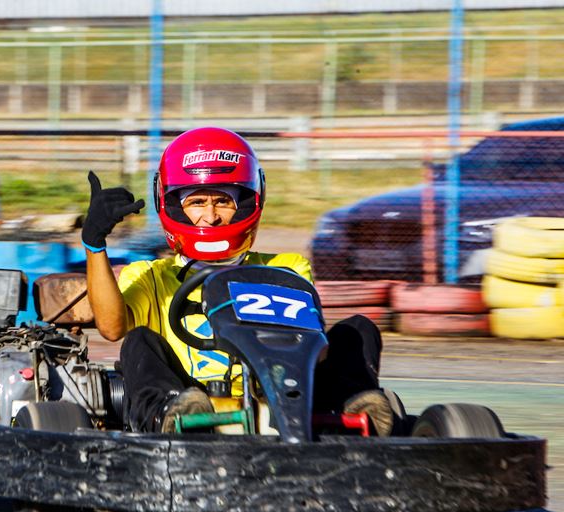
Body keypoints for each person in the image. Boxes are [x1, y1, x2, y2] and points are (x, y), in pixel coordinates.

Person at [81, 127, 398, 435]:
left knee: (356, 329)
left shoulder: (285, 268)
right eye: (196, 203)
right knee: (139, 341)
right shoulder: (150, 276)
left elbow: (317, 348)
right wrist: (95, 243)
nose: (211, 216)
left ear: (247, 202)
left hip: (284, 397)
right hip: (191, 403)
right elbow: (110, 328)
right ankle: (172, 415)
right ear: (174, 205)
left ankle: (355, 410)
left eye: (222, 201)